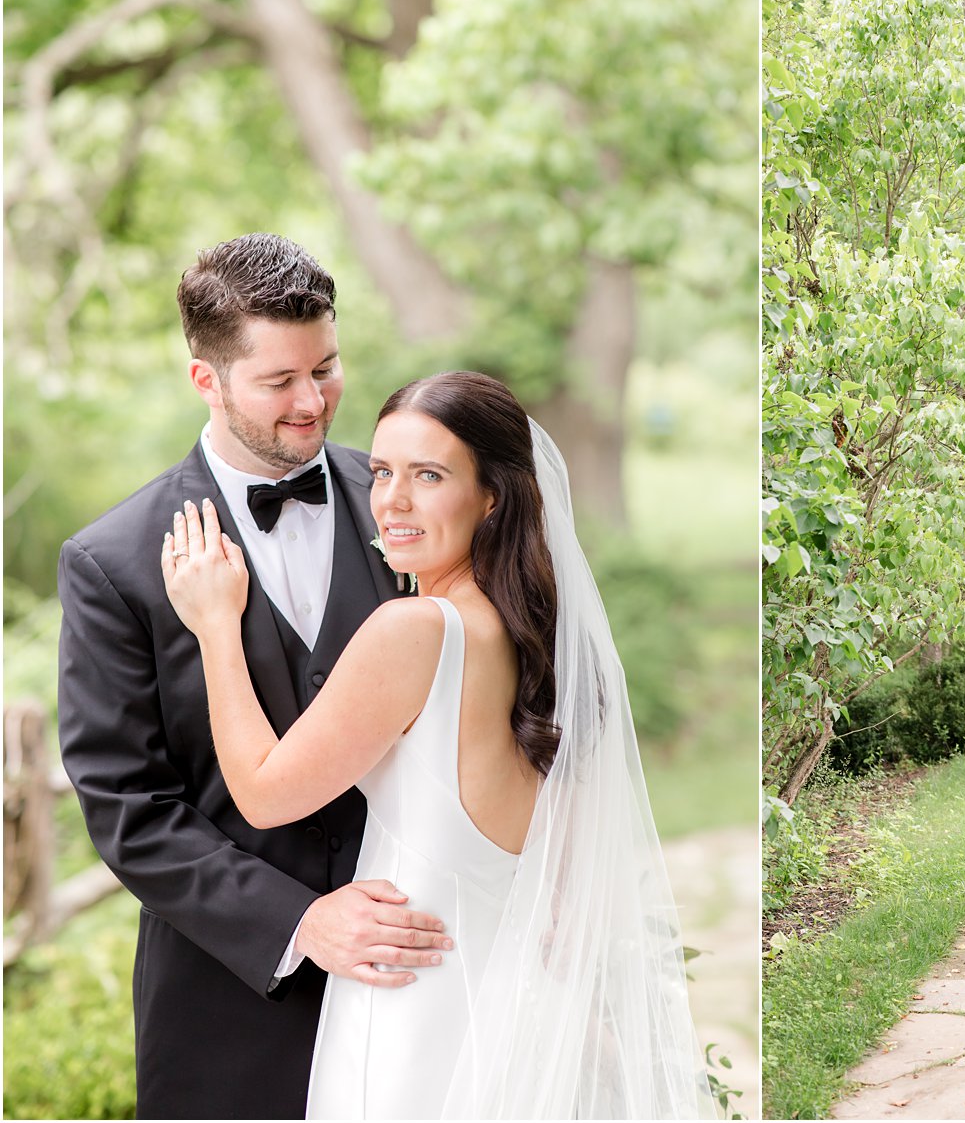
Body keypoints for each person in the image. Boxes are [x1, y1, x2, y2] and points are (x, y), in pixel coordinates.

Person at [162, 371, 713, 1119]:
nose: (391, 499)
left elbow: (261, 791)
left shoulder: (415, 631)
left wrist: (216, 626)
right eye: (383, 471)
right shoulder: (542, 646)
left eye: (429, 475)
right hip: (518, 1012)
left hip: (413, 1015)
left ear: (492, 496)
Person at [57, 234, 450, 1119]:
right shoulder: (112, 562)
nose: (313, 402)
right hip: (226, 1010)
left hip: (421, 972)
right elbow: (129, 809)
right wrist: (302, 923)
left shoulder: (413, 511)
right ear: (207, 379)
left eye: (329, 367)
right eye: (279, 382)